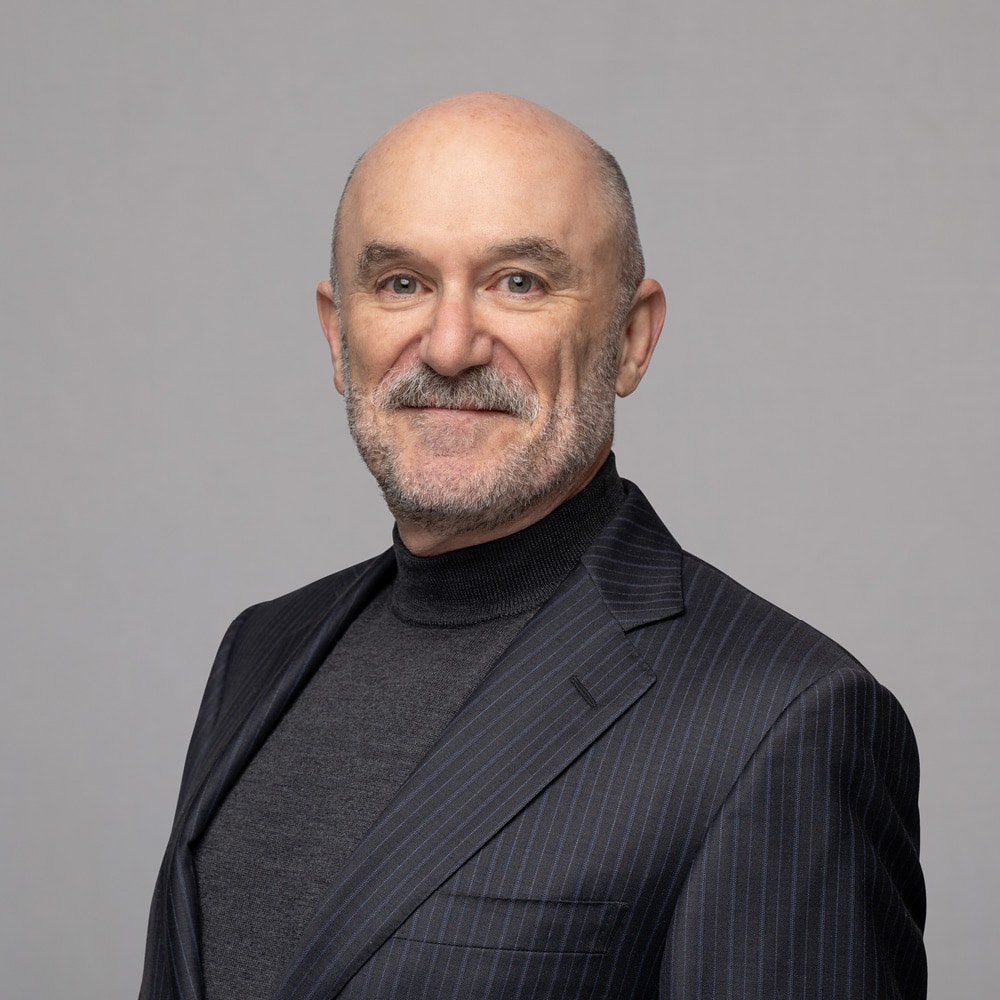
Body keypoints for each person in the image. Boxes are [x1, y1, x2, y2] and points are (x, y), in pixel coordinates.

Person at [140, 92, 926, 1000]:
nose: (448, 345)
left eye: (519, 281)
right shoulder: (259, 651)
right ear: (336, 333)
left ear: (631, 339)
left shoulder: (781, 717)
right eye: (401, 283)